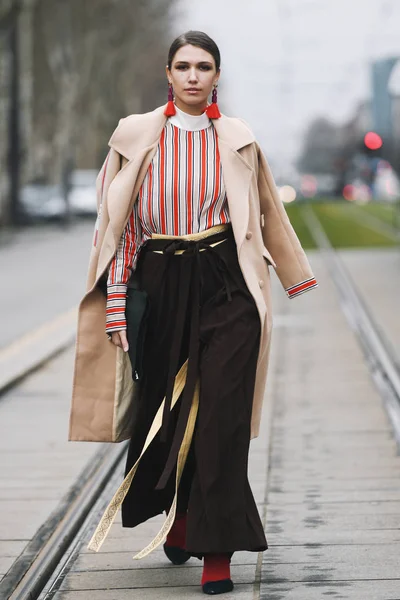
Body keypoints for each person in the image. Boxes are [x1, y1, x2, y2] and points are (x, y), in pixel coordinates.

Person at [69, 30, 318, 596]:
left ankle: (217, 553)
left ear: (216, 76)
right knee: (168, 415)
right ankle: (182, 515)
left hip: (226, 283)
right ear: (168, 73)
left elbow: (266, 210)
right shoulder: (135, 137)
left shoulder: (237, 138)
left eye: (204, 67)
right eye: (182, 66)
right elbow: (118, 228)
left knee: (222, 421)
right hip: (159, 285)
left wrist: (292, 272)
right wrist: (115, 307)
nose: (193, 76)